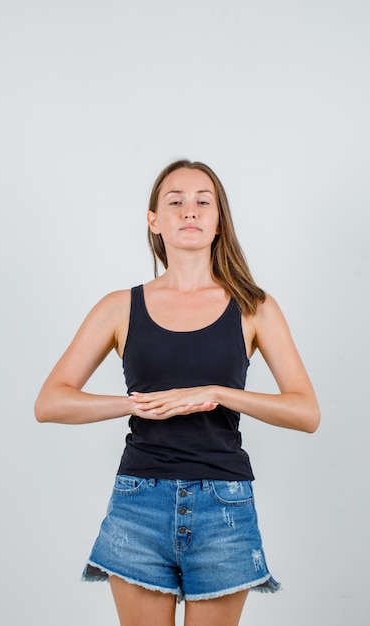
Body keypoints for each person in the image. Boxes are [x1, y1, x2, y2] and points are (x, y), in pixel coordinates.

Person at [34, 159, 320, 626]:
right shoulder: (119, 307)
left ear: (218, 219)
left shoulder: (254, 307)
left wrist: (216, 392)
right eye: (176, 201)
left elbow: (306, 412)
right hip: (138, 503)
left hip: (224, 507)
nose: (190, 211)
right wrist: (135, 405)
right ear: (154, 221)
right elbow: (49, 402)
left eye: (203, 202)